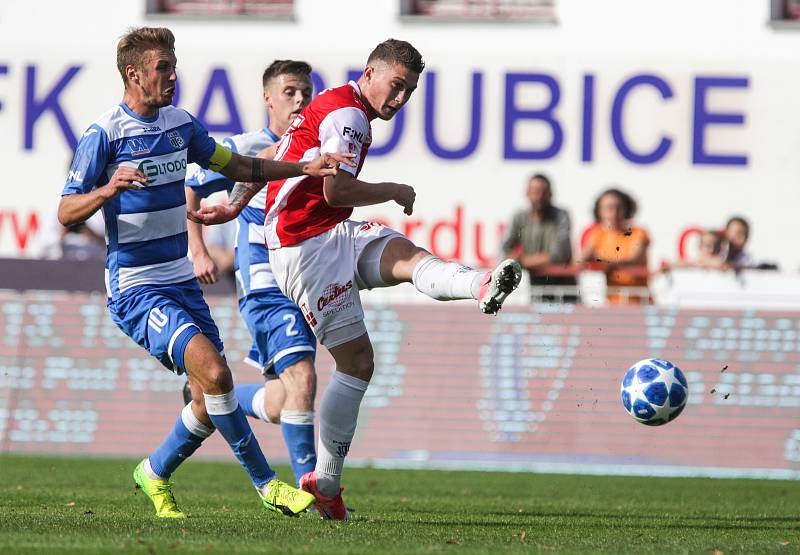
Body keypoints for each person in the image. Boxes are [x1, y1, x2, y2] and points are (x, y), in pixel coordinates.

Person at [191, 39, 522, 520]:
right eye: (396, 85)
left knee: (406, 255)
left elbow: (276, 153)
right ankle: (325, 484)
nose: (400, 99)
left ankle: (480, 285)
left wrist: (235, 204)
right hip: (305, 250)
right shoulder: (348, 117)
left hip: (329, 231)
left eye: (409, 91)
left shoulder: (330, 105)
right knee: (358, 362)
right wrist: (392, 189)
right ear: (370, 73)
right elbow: (337, 187)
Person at [57, 27, 352, 519]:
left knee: (205, 397)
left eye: (174, 65)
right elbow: (66, 213)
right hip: (136, 288)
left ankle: (152, 473)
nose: (173, 76)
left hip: (180, 281)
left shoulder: (181, 126)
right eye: (162, 68)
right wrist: (107, 190)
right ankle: (268, 486)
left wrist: (304, 166)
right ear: (134, 74)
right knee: (217, 376)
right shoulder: (103, 135)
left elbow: (239, 167)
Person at [184, 59, 319, 486]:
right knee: (304, 378)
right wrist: (199, 251)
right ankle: (314, 493)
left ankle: (208, 396)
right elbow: (190, 184)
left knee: (281, 402)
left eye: (305, 93)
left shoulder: (315, 150)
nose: (300, 101)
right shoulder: (244, 147)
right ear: (268, 98)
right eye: (290, 92)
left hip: (303, 284)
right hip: (265, 283)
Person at [500, 173, 573, 299]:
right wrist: (515, 259)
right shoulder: (519, 218)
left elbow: (558, 256)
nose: (539, 196)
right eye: (535, 191)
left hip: (561, 287)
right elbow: (505, 249)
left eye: (543, 192)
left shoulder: (561, 216)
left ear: (550, 194)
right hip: (532, 286)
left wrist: (521, 262)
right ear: (527, 193)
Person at [576, 188, 649, 304]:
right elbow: (579, 261)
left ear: (626, 209)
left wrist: (600, 260)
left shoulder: (638, 233)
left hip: (639, 302)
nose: (614, 213)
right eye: (608, 208)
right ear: (600, 211)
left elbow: (633, 259)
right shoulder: (597, 235)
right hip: (612, 304)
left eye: (618, 208)